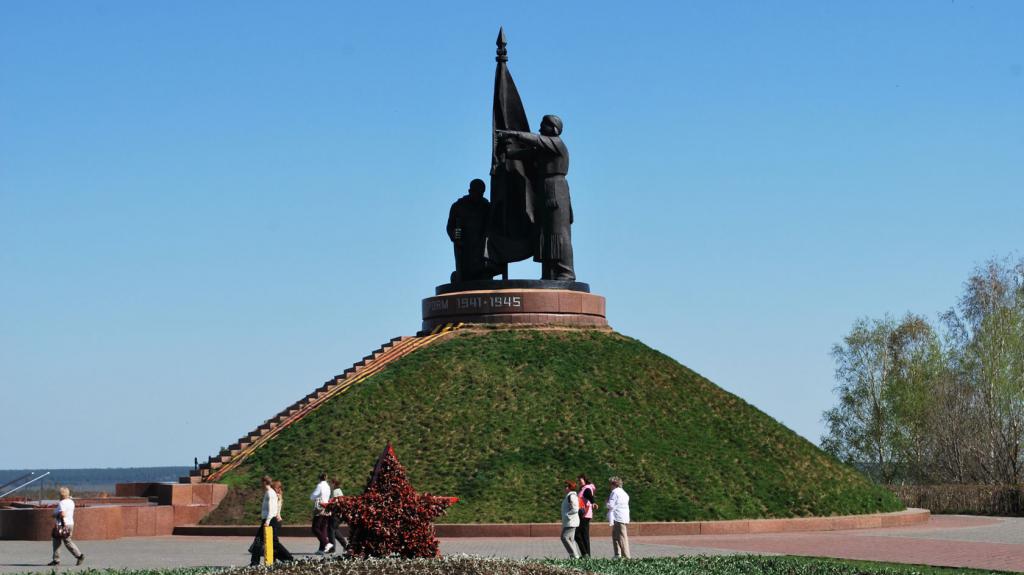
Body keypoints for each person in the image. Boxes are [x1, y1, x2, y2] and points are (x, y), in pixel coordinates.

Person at [496, 115, 575, 281]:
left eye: (543, 126)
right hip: (544, 189)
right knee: (545, 233)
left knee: (558, 233)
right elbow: (521, 154)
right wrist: (505, 148)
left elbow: (536, 140)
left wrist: (514, 134)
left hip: (556, 188)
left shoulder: (556, 143)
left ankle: (566, 272)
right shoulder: (543, 150)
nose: (539, 129)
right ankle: (549, 272)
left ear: (553, 129)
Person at [446, 178, 492, 283]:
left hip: (480, 247)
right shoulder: (458, 206)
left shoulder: (486, 207)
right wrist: (455, 236)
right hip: (464, 246)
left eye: (481, 193)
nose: (478, 196)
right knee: (463, 274)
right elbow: (450, 227)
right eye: (476, 192)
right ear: (470, 191)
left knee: (481, 274)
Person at [250, 476, 292, 565]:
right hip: (267, 520)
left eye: (261, 482)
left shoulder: (270, 493)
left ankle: (288, 558)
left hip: (270, 521)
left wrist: (267, 521)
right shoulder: (268, 492)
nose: (261, 485)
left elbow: (272, 509)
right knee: (260, 541)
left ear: (265, 482)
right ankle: (254, 563)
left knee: (272, 542)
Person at [48, 487, 84, 566]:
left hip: (62, 525)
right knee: (67, 541)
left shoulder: (62, 503)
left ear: (61, 495)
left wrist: (55, 515)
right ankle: (79, 556)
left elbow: (63, 514)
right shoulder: (71, 502)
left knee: (57, 541)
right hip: (70, 523)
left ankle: (57, 560)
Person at [606, 476, 631, 559]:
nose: (609, 486)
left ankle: (626, 557)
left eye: (610, 484)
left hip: (618, 517)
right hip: (623, 517)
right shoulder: (624, 492)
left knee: (621, 537)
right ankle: (617, 554)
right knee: (616, 536)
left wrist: (607, 503)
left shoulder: (614, 492)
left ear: (614, 484)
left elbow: (611, 505)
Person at [309, 472, 333, 554]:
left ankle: (326, 543)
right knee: (323, 528)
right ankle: (321, 549)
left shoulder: (320, 486)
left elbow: (312, 497)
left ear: (319, 478)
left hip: (320, 509)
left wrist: (313, 496)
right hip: (327, 508)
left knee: (315, 528)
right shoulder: (328, 486)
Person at [574, 474, 598, 558]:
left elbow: (589, 496)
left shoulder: (587, 488)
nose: (579, 482)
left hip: (584, 514)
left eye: (580, 480)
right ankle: (586, 555)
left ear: (585, 480)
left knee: (579, 534)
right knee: (584, 535)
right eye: (578, 481)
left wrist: (593, 502)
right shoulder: (584, 488)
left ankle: (586, 554)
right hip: (584, 514)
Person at [560, 480, 581, 559]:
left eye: (566, 486)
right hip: (570, 521)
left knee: (564, 537)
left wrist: (567, 515)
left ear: (569, 488)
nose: (564, 488)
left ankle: (574, 555)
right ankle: (575, 556)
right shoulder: (569, 496)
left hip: (571, 522)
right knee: (571, 539)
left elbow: (575, 509)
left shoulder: (571, 496)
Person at [327, 477, 347, 552]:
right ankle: (345, 545)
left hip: (336, 513)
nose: (330, 485)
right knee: (335, 530)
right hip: (339, 514)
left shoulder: (335, 491)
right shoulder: (339, 490)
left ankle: (332, 548)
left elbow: (334, 502)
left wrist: (328, 504)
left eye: (331, 483)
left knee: (331, 530)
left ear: (334, 483)